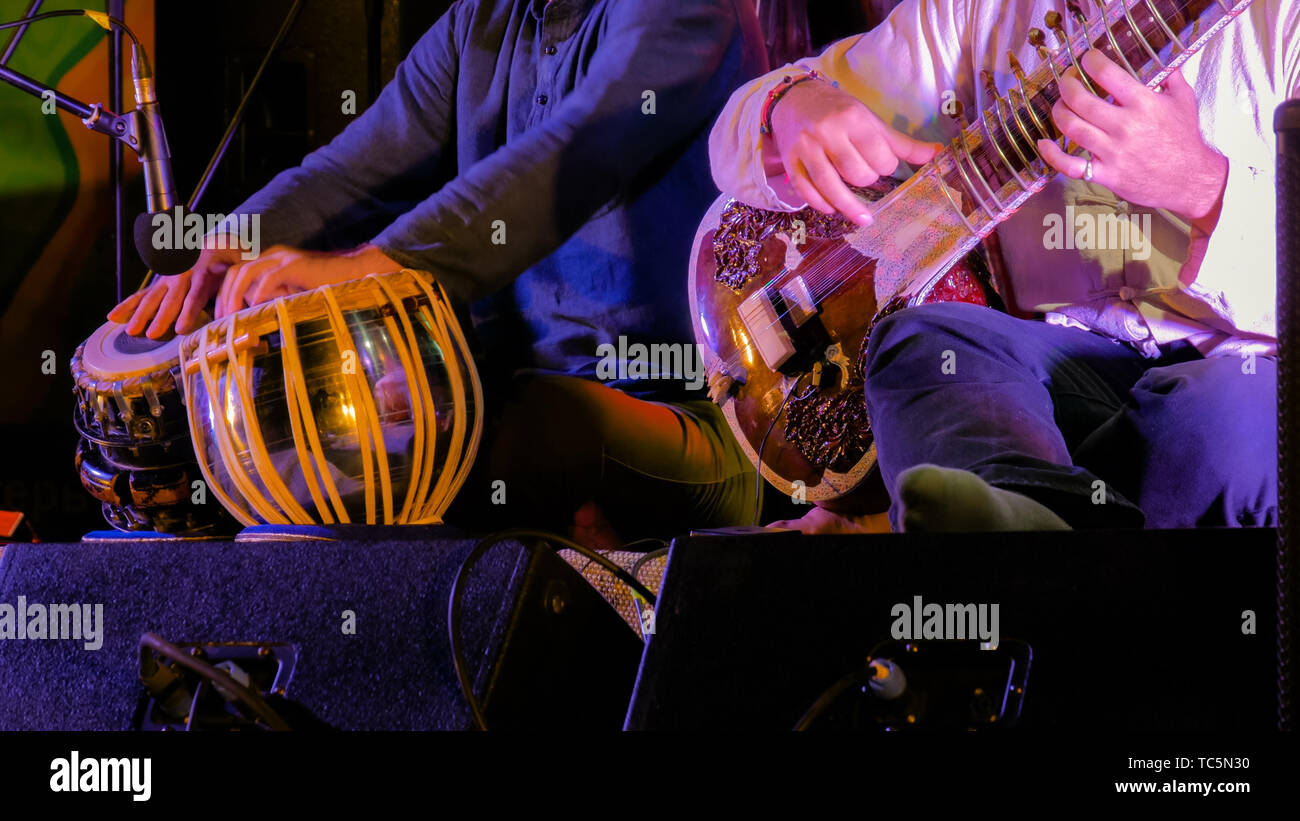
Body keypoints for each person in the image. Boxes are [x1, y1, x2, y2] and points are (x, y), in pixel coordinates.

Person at [110, 0, 769, 548]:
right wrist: (226, 251)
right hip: (510, 406)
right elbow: (348, 173)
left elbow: (576, 151)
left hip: (700, 422)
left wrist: (382, 264)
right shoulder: (479, 25)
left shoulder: (683, 12)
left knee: (509, 423)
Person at [710, 0, 1296, 532]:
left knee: (1215, 418)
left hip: (1235, 371)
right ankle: (1021, 525)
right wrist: (794, 110)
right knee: (922, 341)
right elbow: (737, 128)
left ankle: (1023, 547)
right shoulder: (976, 13)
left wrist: (1201, 187)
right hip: (1050, 373)